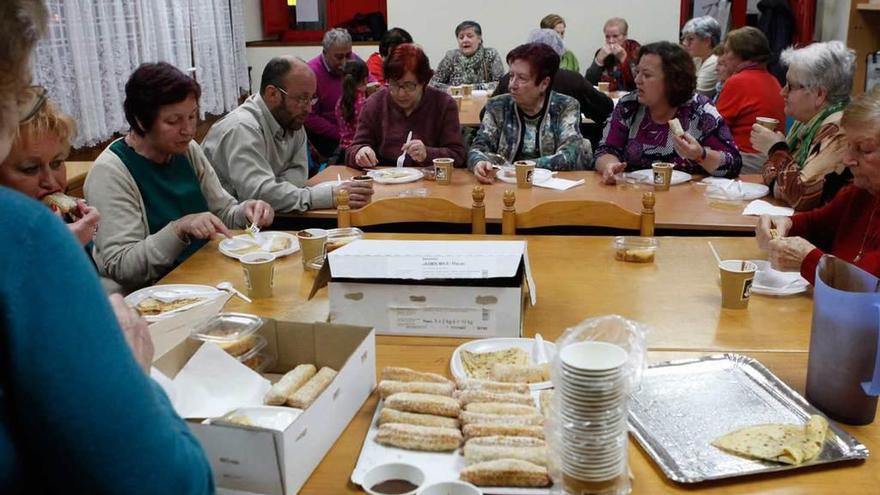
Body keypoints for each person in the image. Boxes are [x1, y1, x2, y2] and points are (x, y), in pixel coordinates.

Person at [0, 2, 214, 493]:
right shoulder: (33, 233)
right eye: (175, 120)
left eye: (192, 118)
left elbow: (225, 206)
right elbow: (167, 478)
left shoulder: (192, 152)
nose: (54, 182)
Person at [85, 62, 275, 293]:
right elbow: (122, 266)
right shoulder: (111, 171)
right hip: (155, 294)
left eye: (192, 116)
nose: (188, 130)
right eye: (173, 121)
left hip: (206, 275)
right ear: (141, 120)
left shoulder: (187, 150)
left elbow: (222, 213)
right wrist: (179, 229)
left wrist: (247, 211)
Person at [203, 56, 372, 212]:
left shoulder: (291, 120)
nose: (308, 108)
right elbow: (259, 195)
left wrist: (276, 190)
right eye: (301, 99)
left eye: (311, 98)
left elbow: (299, 175)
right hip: (225, 232)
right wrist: (332, 196)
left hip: (266, 221)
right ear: (272, 94)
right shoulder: (242, 128)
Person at [756, 87, 880, 285]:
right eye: (848, 146)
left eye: (864, 149)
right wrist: (784, 224)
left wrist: (808, 260)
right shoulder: (861, 192)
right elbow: (817, 224)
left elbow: (867, 284)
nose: (848, 159)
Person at [595, 41, 742, 182]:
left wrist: (700, 155)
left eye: (647, 75)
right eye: (637, 72)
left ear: (673, 81)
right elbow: (606, 150)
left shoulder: (700, 110)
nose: (637, 80)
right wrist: (609, 165)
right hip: (636, 194)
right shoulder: (629, 105)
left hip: (688, 200)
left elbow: (733, 163)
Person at [751, 41, 855, 211]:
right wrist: (781, 179)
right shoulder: (804, 122)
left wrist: (776, 149)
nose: (782, 92)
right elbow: (770, 175)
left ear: (819, 94)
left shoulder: (838, 128)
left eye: (790, 86)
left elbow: (802, 196)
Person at [470, 42, 591, 181]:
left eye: (521, 78)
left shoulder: (565, 106)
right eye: (511, 76)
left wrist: (522, 167)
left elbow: (569, 155)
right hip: (504, 186)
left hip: (552, 188)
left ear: (544, 84)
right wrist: (478, 162)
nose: (512, 85)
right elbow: (478, 147)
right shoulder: (497, 106)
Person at [0, 88, 100, 246]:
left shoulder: (66, 215)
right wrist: (58, 247)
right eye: (30, 168)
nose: (51, 183)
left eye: (56, 163)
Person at [492, 29, 613, 149]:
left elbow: (484, 117)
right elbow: (604, 109)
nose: (513, 84)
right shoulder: (572, 80)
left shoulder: (507, 79)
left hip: (525, 155)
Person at [348, 43, 466, 168]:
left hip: (430, 181)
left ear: (423, 82)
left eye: (409, 85)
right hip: (384, 180)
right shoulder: (374, 104)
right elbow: (353, 149)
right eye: (394, 84)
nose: (401, 93)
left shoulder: (443, 105)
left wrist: (428, 154)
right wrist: (360, 152)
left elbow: (458, 155)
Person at [714, 26, 785, 173]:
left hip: (747, 160)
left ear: (741, 54)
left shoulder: (738, 81)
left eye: (727, 52)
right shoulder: (774, 80)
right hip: (770, 158)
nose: (723, 57)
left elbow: (713, 128)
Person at [305, 28, 367, 160]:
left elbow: (371, 83)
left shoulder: (354, 60)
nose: (344, 62)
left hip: (357, 134)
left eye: (348, 55)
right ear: (325, 53)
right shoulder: (310, 73)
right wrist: (342, 133)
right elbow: (308, 117)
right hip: (327, 138)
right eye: (339, 57)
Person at [430, 20, 505, 87]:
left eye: (470, 36)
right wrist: (451, 89)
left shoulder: (490, 54)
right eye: (461, 37)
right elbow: (433, 84)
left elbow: (501, 84)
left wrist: (471, 89)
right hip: (455, 100)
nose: (465, 40)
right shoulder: (451, 56)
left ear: (479, 39)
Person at [585, 17, 640, 92]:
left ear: (625, 36)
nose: (611, 41)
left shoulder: (635, 50)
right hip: (607, 98)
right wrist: (598, 62)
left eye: (615, 36)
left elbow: (638, 84)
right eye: (607, 37)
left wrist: (624, 60)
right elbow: (589, 83)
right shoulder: (602, 52)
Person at [680, 16, 722, 98]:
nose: (684, 43)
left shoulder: (714, 61)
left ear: (707, 41)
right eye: (684, 38)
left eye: (690, 39)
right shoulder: (697, 58)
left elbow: (694, 98)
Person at [336, 58, 369, 161]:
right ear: (365, 80)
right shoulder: (365, 103)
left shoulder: (340, 102)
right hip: (360, 152)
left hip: (343, 152)